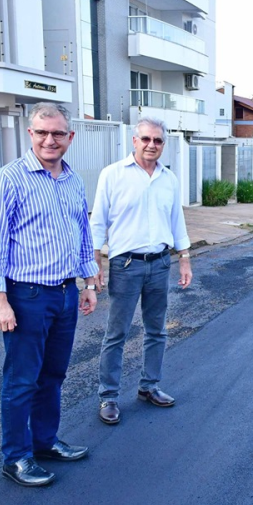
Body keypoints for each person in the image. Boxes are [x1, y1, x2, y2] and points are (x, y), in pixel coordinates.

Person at [0, 102, 98, 487]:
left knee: (54, 375)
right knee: (22, 380)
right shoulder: (7, 180)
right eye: (42, 132)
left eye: (58, 133)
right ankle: (16, 458)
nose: (50, 140)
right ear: (30, 134)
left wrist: (89, 281)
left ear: (69, 137)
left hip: (64, 294)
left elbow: (82, 234)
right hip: (25, 296)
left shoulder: (73, 180)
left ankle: (44, 442)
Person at [90, 117, 192, 425]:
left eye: (157, 140)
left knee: (157, 330)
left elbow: (177, 221)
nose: (151, 145)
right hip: (125, 265)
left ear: (163, 144)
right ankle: (108, 396)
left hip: (160, 263)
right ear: (134, 141)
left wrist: (184, 257)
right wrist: (94, 261)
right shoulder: (113, 175)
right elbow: (98, 222)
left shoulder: (169, 179)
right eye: (145, 139)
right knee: (116, 333)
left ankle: (149, 386)